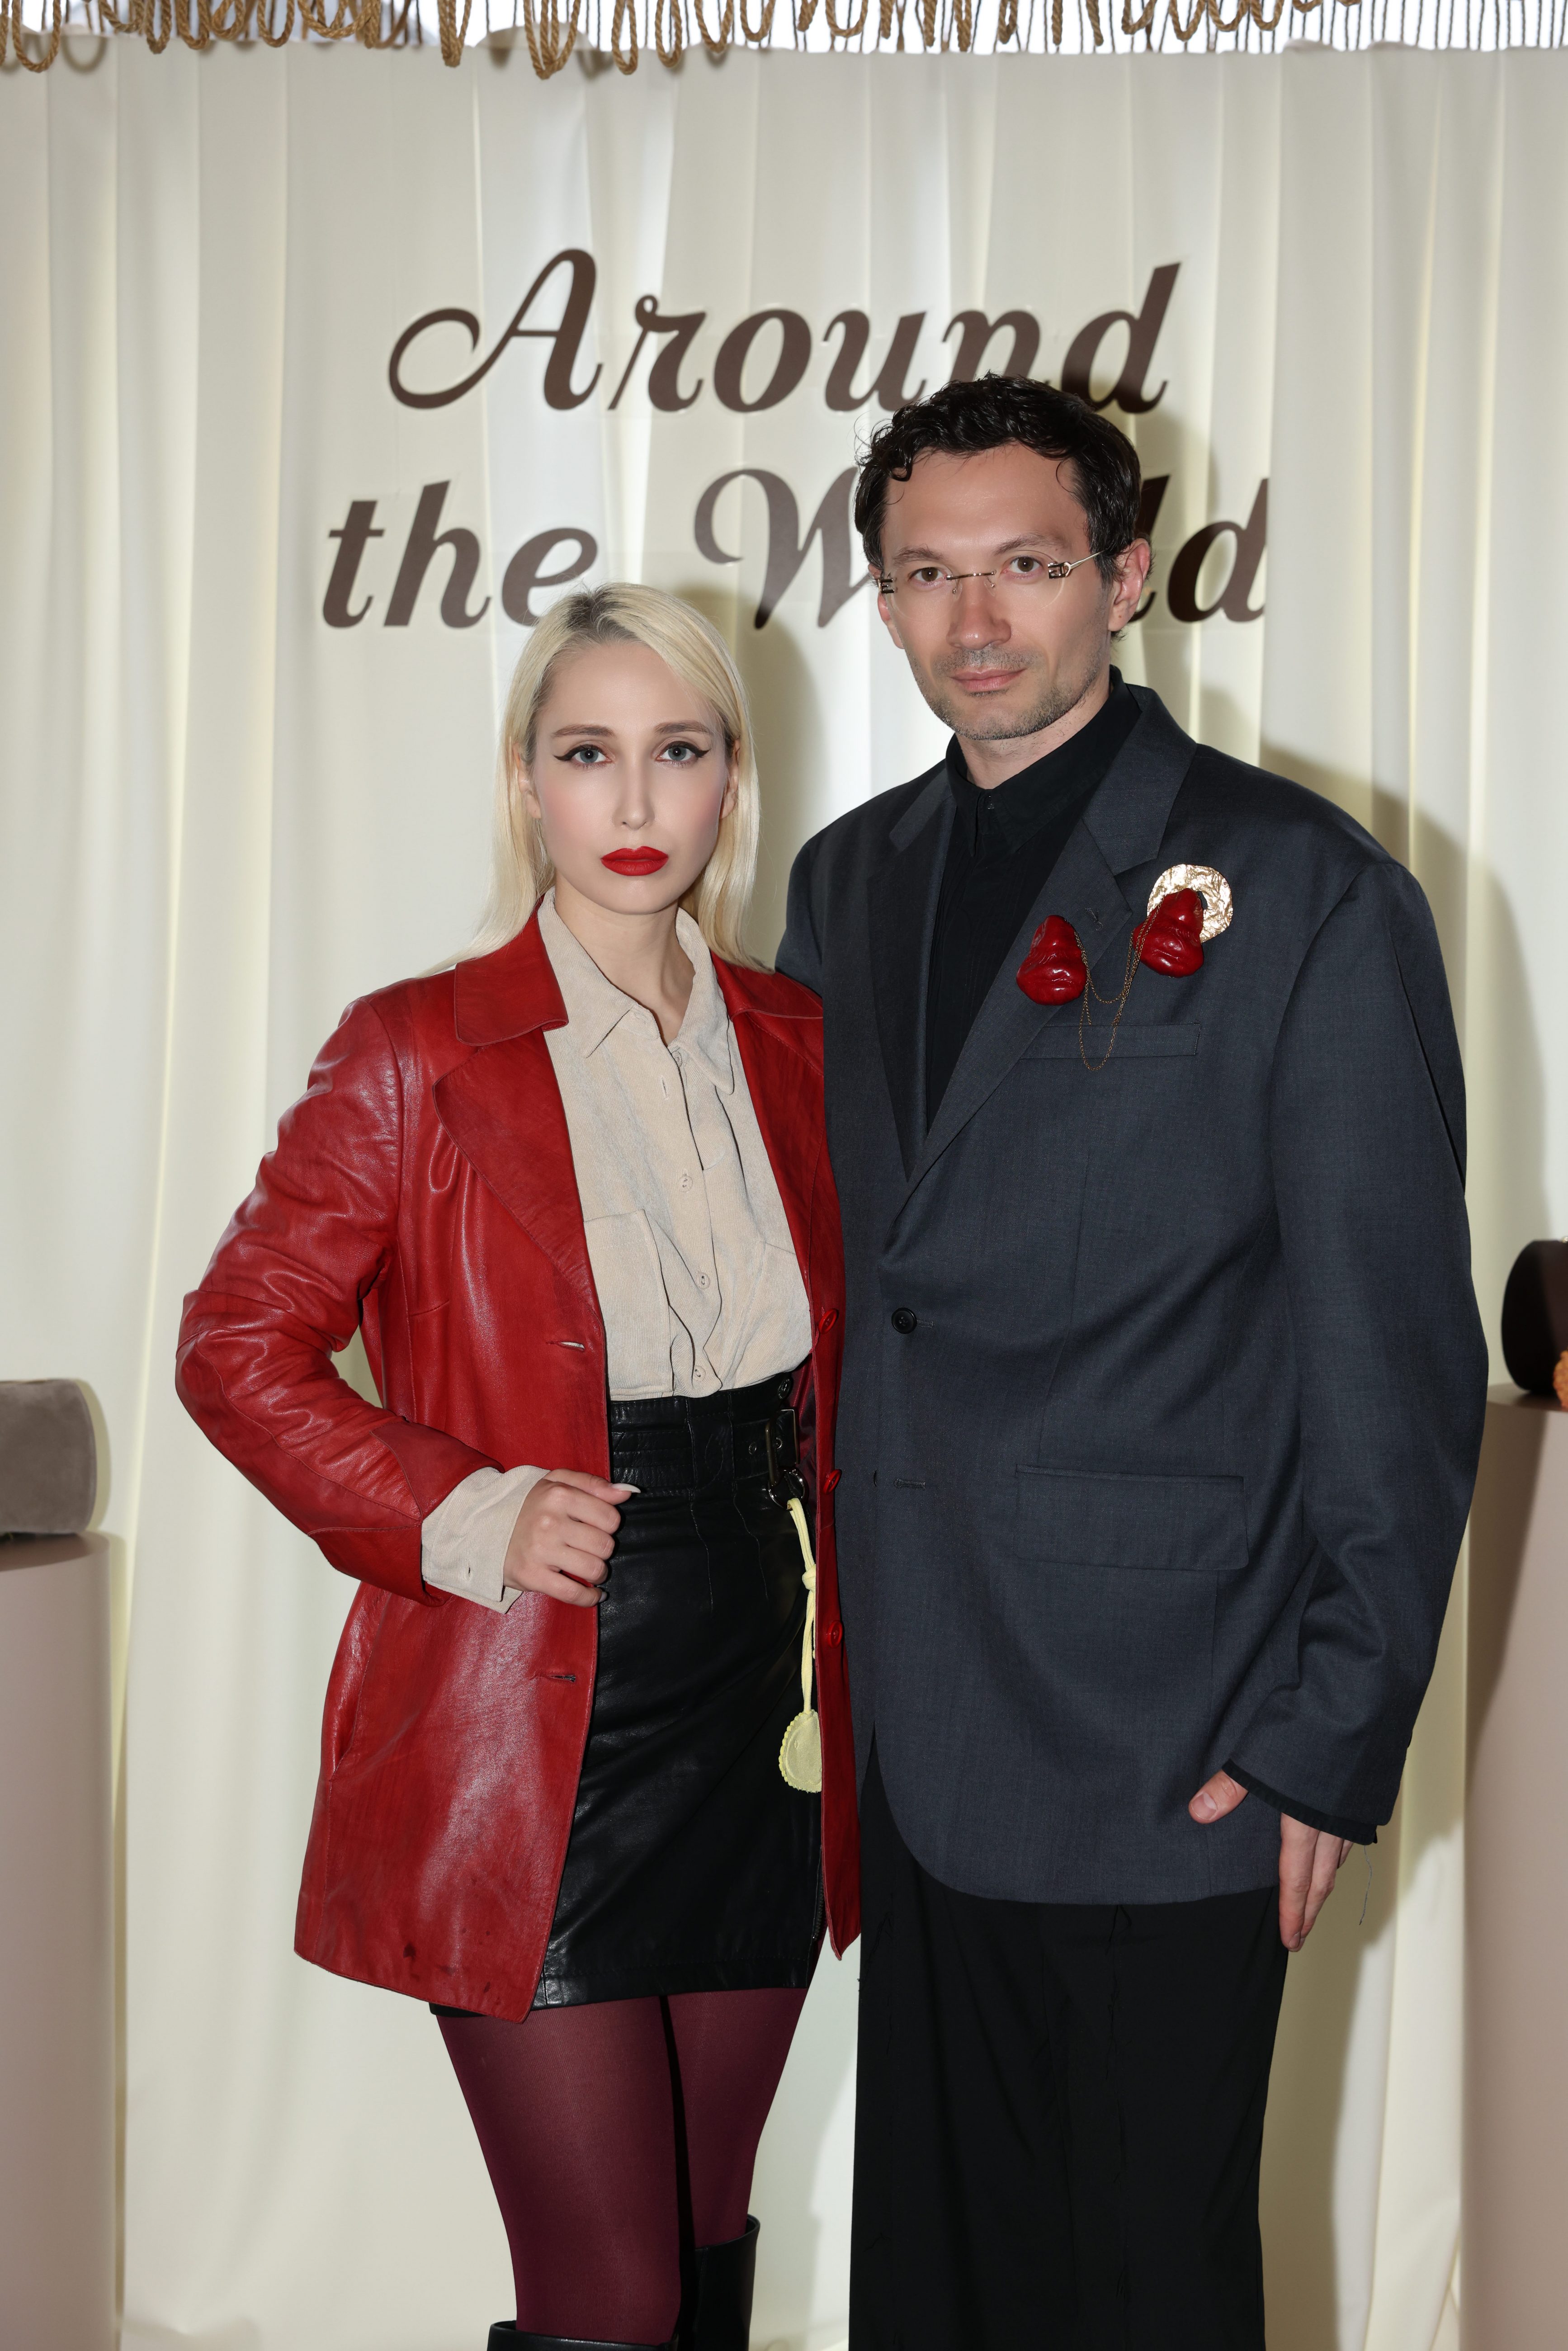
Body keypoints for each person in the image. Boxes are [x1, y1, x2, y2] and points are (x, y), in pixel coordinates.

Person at [778, 376, 1488, 2349]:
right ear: (883, 599)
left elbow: (1395, 1356)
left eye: (1023, 564)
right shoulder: (843, 881)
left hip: (1174, 1733)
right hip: (917, 1709)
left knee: (1145, 2286)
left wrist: (1330, 1733)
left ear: (1124, 576)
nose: (974, 618)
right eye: (925, 573)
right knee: (941, 2281)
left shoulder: (1307, 888)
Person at [176, 585, 858, 2351]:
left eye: (676, 751)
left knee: (705, 2236)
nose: (633, 800)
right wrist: (466, 1505)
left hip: (764, 1698)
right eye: (586, 753)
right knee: (608, 2288)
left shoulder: (800, 1042)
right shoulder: (416, 1048)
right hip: (534, 1702)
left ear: (730, 781)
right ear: (526, 783)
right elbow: (234, 1347)